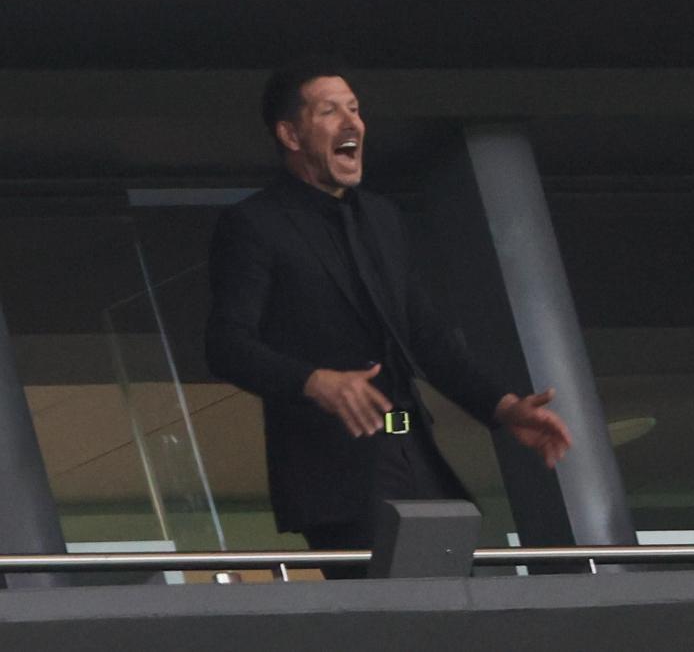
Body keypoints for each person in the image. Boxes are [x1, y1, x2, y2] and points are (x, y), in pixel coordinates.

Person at [205, 58, 571, 578]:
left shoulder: (381, 218)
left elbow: (425, 337)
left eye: (355, 109)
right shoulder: (255, 224)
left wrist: (505, 406)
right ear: (290, 134)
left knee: (463, 597)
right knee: (395, 607)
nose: (352, 123)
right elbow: (225, 345)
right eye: (330, 111)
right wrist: (314, 381)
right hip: (337, 474)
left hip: (407, 438)